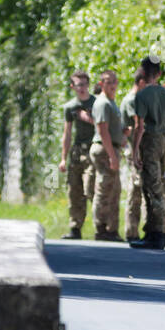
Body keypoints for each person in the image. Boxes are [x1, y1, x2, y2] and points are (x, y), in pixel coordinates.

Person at [130, 56, 165, 249]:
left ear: (143, 72)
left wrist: (134, 152)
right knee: (156, 186)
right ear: (158, 74)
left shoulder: (141, 96)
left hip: (149, 140)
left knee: (152, 188)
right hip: (164, 140)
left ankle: (157, 233)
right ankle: (152, 231)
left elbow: (139, 127)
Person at [58, 70, 98, 240]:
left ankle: (101, 227)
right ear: (72, 87)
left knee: (92, 188)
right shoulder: (70, 107)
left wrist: (88, 118)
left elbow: (106, 125)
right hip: (76, 150)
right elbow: (67, 134)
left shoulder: (97, 103)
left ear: (88, 84)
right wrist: (63, 159)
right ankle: (75, 228)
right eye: (78, 85)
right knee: (74, 190)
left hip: (93, 149)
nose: (82, 88)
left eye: (84, 84)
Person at [89, 69, 125, 241]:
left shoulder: (111, 102)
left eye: (114, 81)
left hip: (112, 148)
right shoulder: (102, 103)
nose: (112, 85)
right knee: (104, 189)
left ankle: (111, 229)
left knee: (114, 189)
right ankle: (101, 228)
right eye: (108, 82)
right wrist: (112, 156)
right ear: (101, 84)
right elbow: (102, 131)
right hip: (104, 149)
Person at [120, 68, 147, 242]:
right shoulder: (133, 100)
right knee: (137, 190)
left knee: (137, 190)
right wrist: (136, 152)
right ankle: (131, 231)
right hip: (135, 149)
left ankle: (133, 231)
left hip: (135, 148)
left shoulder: (133, 99)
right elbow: (137, 126)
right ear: (142, 82)